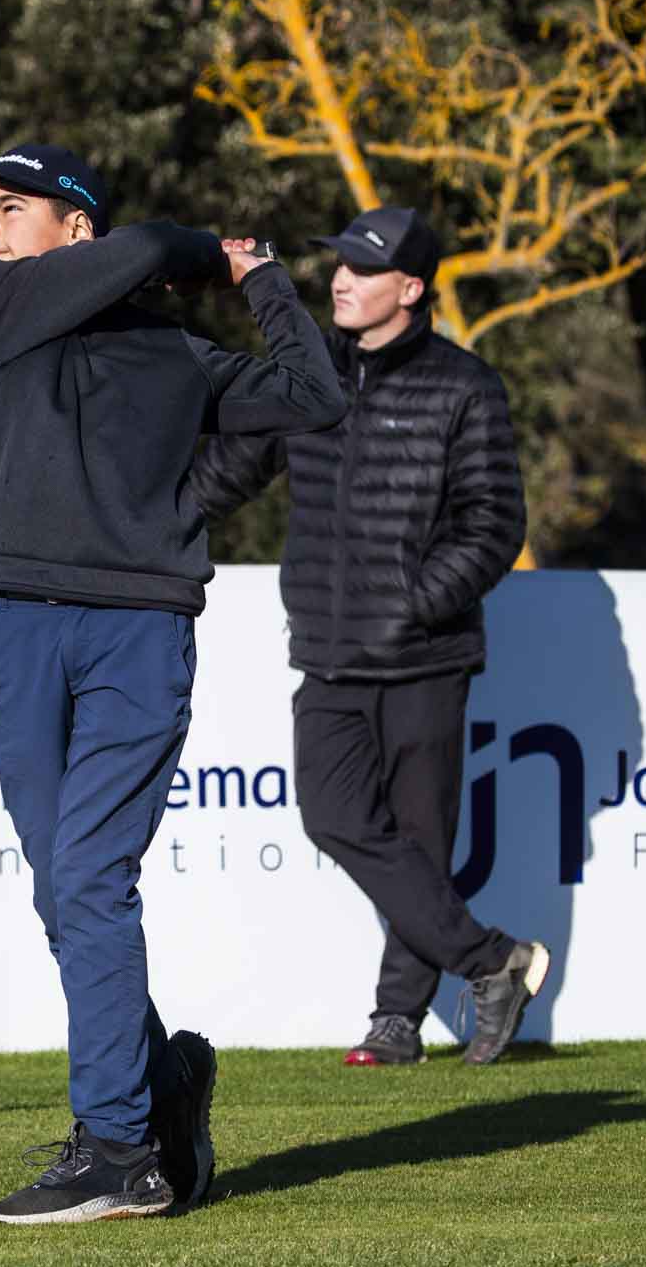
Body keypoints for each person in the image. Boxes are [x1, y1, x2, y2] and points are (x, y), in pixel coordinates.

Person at [0, 143, 348, 1224]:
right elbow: (156, 246)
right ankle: (162, 1087)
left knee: (88, 878)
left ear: (78, 227)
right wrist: (198, 249)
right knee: (60, 890)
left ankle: (119, 1150)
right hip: (19, 625)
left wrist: (263, 282)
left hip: (139, 633)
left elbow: (316, 396)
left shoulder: (175, 354)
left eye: (9, 206)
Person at [189, 205, 546, 1067]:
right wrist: (134, 519)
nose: (341, 280)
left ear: (411, 289)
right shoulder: (307, 376)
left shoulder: (466, 386)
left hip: (425, 655)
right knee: (332, 816)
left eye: (362, 268)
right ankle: (493, 960)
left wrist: (415, 603)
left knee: (421, 843)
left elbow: (495, 523)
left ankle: (396, 1022)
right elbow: (227, 472)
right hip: (329, 655)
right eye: (339, 264)